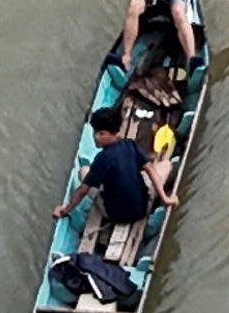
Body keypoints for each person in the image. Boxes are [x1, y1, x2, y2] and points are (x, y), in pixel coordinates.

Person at [53, 104, 167, 247]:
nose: (96, 137)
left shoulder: (102, 158)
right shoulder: (129, 145)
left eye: (101, 134)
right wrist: (165, 197)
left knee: (84, 172)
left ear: (114, 133)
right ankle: (162, 197)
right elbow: (150, 169)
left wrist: (64, 210)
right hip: (141, 209)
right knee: (165, 165)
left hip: (116, 214)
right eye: (95, 132)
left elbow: (83, 190)